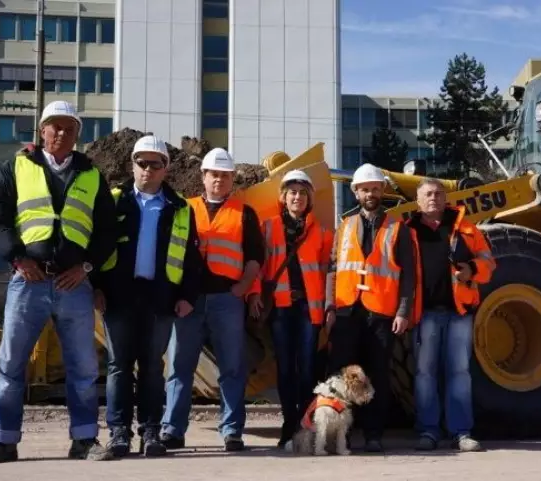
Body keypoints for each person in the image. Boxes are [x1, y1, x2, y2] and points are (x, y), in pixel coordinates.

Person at [0, 100, 117, 464]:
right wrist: (18, 258)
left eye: (69, 128)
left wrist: (85, 267)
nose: (61, 133)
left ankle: (84, 440)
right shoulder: (17, 166)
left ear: (76, 136)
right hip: (28, 280)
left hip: (73, 284)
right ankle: (3, 440)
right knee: (10, 362)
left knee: (84, 367)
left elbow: (106, 232)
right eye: (54, 126)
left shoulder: (91, 174)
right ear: (42, 130)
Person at [94, 135, 202, 458]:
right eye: (141, 163)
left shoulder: (180, 209)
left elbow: (192, 260)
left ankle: (151, 431)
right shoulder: (113, 201)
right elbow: (97, 247)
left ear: (166, 169)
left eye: (155, 164)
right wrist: (97, 286)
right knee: (118, 366)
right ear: (132, 165)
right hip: (119, 296)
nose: (147, 170)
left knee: (153, 368)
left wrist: (186, 296)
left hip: (160, 298)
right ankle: (118, 432)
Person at [160, 147, 264, 451]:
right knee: (180, 366)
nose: (218, 179)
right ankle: (172, 429)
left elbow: (256, 256)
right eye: (213, 174)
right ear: (203, 177)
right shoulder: (184, 208)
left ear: (232, 179)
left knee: (232, 366)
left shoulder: (244, 213)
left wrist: (242, 288)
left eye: (224, 175)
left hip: (226, 299)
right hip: (188, 300)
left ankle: (231, 430)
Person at [324, 163, 417, 453]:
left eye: (375, 188)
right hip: (346, 311)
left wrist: (403, 311)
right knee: (343, 376)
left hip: (380, 312)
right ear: (356, 193)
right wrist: (329, 307)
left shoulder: (397, 229)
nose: (370, 193)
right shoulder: (345, 227)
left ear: (383, 191)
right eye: (365, 189)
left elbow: (408, 275)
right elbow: (332, 269)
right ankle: (343, 434)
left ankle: (374, 434)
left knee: (377, 374)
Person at [406, 178, 495, 452]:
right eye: (427, 194)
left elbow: (489, 263)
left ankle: (461, 432)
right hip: (425, 313)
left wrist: (471, 269)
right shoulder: (408, 231)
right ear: (418, 201)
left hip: (459, 313)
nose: (433, 198)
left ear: (446, 198)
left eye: (438, 194)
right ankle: (429, 431)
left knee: (459, 372)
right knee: (424, 374)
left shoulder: (466, 228)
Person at [247, 169, 333, 448]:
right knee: (285, 369)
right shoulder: (269, 226)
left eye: (302, 193)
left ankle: (304, 426)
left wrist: (329, 307)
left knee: (308, 369)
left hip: (309, 309)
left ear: (309, 198)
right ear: (283, 197)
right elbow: (259, 264)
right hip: (281, 309)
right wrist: (255, 293)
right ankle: (289, 423)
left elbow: (328, 271)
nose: (297, 197)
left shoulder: (320, 231)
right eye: (292, 193)